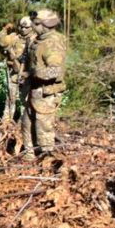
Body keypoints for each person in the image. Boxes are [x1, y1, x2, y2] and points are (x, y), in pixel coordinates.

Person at [20, 9, 66, 160]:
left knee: (44, 130)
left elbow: (55, 71)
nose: (33, 26)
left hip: (46, 93)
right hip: (34, 91)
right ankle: (29, 156)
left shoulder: (53, 43)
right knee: (27, 124)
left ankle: (46, 161)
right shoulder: (37, 40)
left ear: (45, 25)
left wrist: (33, 73)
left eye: (36, 24)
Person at [0, 17, 34, 121]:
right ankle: (6, 123)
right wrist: (5, 29)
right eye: (21, 27)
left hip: (28, 77)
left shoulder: (35, 40)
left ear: (31, 27)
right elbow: (2, 42)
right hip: (14, 74)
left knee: (26, 101)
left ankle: (23, 124)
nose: (23, 29)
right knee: (10, 99)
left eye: (26, 27)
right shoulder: (14, 37)